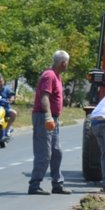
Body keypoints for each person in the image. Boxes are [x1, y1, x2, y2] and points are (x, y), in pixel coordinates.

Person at [28, 50, 71, 195]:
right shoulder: (49, 75)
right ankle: (34, 185)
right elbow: (44, 97)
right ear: (63, 63)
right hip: (44, 117)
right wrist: (48, 116)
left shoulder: (57, 77)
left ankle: (57, 184)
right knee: (44, 153)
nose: (67, 66)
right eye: (67, 63)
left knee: (57, 152)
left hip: (54, 119)